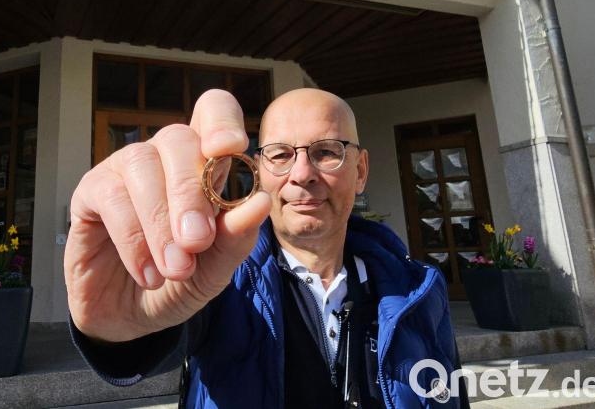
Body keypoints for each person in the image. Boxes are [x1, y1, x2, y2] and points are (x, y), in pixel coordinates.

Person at [64, 88, 469, 408]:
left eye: (327, 151)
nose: (302, 174)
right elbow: (161, 334)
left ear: (360, 170)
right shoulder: (217, 284)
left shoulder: (419, 289)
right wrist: (117, 334)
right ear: (258, 171)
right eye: (280, 155)